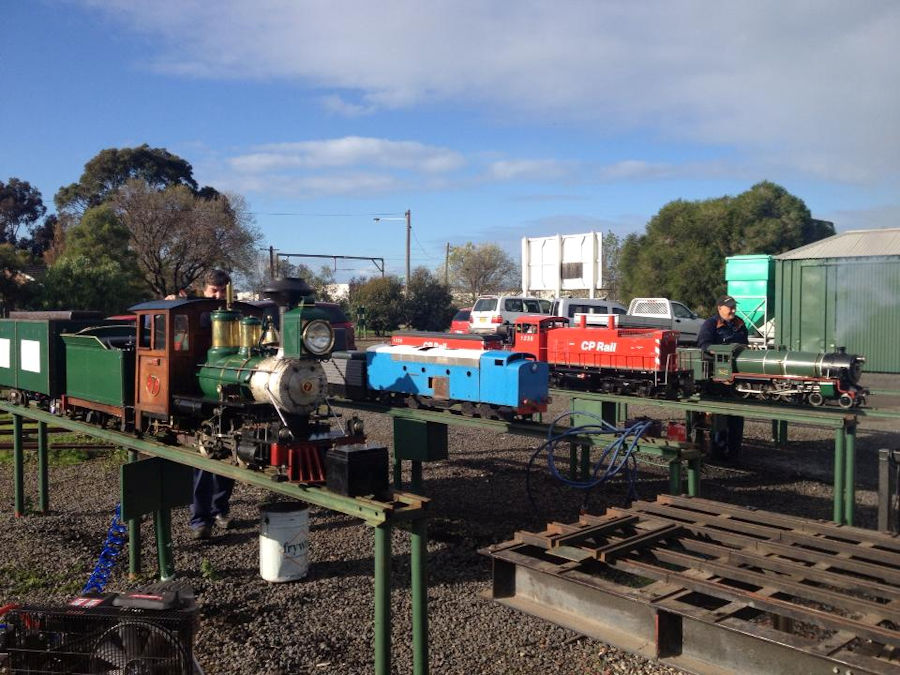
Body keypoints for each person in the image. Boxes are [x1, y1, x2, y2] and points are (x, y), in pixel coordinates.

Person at [189, 269, 235, 539]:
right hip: (196, 388)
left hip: (229, 390)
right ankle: (199, 517)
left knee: (229, 453)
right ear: (203, 290)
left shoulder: (237, 315)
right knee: (203, 457)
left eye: (222, 291)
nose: (218, 296)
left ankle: (220, 507)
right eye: (212, 291)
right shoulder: (199, 313)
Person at [697, 295, 748, 460]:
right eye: (730, 307)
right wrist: (721, 353)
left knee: (737, 418)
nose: (733, 310)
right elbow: (703, 345)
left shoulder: (740, 324)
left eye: (734, 307)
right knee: (718, 418)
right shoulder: (710, 324)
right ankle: (718, 454)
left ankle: (734, 454)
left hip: (735, 379)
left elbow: (745, 346)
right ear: (720, 308)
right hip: (715, 380)